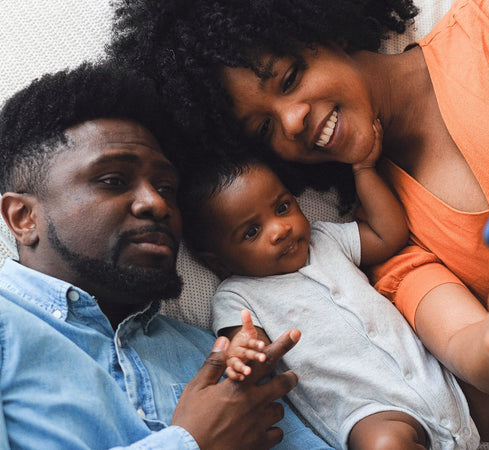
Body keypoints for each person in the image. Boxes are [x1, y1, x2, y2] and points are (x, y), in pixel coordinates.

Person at [107, 0, 489, 416]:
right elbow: (481, 360)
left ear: (325, 28)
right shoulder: (389, 240)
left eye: (290, 77)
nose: (294, 119)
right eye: (264, 129)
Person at [0, 61, 333, 449]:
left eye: (166, 187)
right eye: (114, 180)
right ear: (23, 217)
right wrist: (192, 442)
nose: (156, 203)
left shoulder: (215, 351)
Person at [180, 140, 489, 449]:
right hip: (371, 412)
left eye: (283, 207)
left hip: (437, 378)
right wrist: (243, 353)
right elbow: (247, 346)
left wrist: (365, 171)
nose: (280, 228)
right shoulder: (237, 294)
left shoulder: (325, 238)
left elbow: (387, 234)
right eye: (251, 232)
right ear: (218, 261)